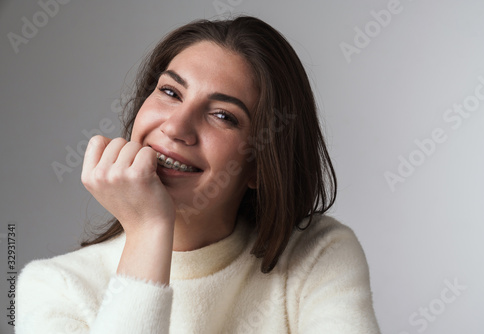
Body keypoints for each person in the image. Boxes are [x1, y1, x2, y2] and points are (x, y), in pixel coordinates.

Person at [16, 16, 380, 333]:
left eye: (223, 115)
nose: (176, 127)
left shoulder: (317, 255)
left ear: (259, 164)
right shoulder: (55, 287)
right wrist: (149, 232)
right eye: (171, 92)